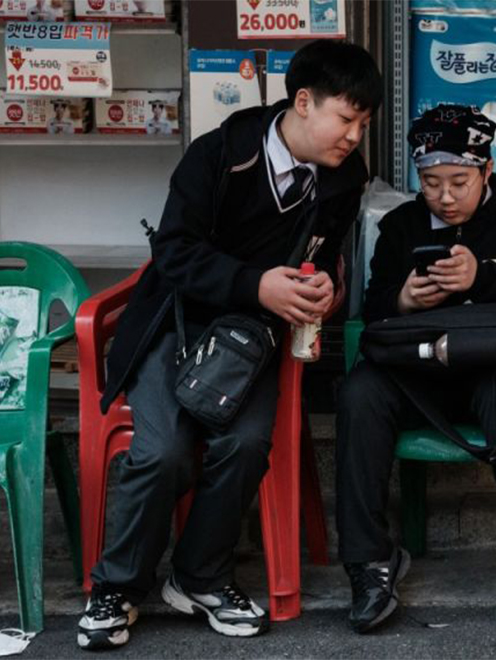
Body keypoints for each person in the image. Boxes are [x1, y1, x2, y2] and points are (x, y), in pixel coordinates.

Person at [77, 40, 382, 651]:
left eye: (364, 124)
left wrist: (325, 285)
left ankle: (199, 577)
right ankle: (116, 587)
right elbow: (173, 253)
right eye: (346, 119)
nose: (354, 136)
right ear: (303, 102)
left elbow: (326, 254)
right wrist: (255, 284)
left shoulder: (345, 176)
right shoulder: (217, 155)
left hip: (250, 341)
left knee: (244, 444)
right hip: (175, 322)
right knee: (162, 451)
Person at [336, 104, 496, 637]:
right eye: (430, 183)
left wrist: (483, 279)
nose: (444, 197)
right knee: (359, 394)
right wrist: (403, 299)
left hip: (495, 372)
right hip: (420, 375)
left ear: (486, 170)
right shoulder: (401, 227)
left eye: (459, 182)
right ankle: (368, 563)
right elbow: (373, 310)